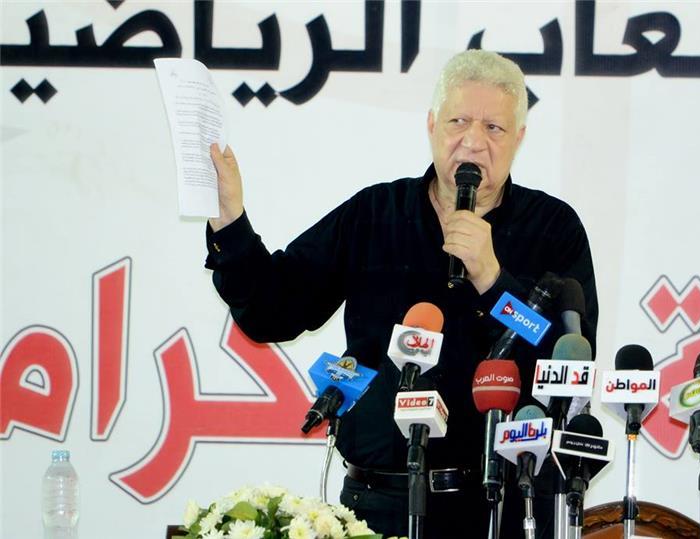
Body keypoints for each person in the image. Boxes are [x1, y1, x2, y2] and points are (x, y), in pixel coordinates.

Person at [204, 50, 598, 538]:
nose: (473, 141)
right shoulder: (375, 214)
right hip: (377, 503)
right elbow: (272, 311)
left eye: (494, 128)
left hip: (502, 507)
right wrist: (230, 220)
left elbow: (567, 364)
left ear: (518, 137)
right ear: (432, 125)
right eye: (458, 121)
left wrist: (493, 280)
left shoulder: (554, 228)